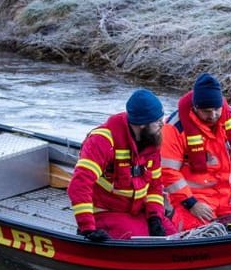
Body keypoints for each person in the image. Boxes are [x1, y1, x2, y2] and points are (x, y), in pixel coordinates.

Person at [67, 89, 176, 241]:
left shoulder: (151, 143)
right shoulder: (103, 141)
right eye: (158, 121)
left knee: (173, 235)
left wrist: (155, 218)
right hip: (106, 211)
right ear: (143, 124)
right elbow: (79, 185)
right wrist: (87, 228)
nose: (161, 125)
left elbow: (154, 187)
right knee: (139, 243)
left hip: (136, 210)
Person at [161, 73, 231, 231]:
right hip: (190, 199)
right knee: (194, 232)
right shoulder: (175, 128)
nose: (213, 116)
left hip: (227, 195)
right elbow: (167, 171)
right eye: (207, 111)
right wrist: (191, 203)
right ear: (195, 108)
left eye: (216, 109)